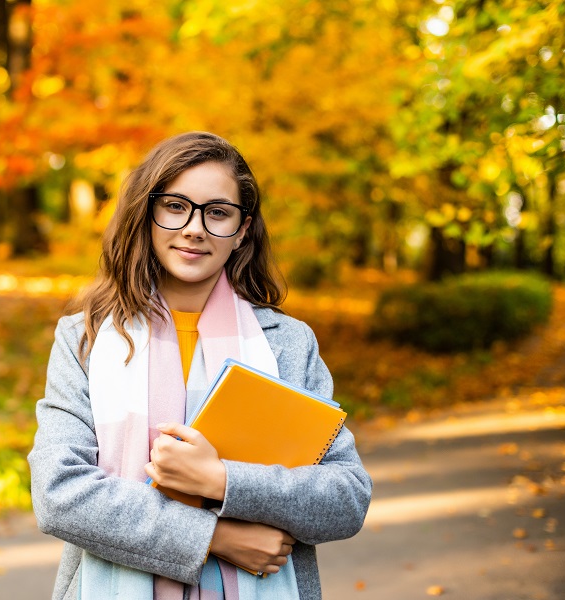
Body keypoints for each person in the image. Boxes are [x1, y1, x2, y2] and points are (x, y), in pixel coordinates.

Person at [28, 131, 371, 600]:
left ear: (243, 229)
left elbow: (345, 497)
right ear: (146, 214)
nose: (194, 228)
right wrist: (215, 538)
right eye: (175, 206)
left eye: (217, 213)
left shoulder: (288, 345)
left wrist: (223, 481)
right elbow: (59, 493)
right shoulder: (85, 339)